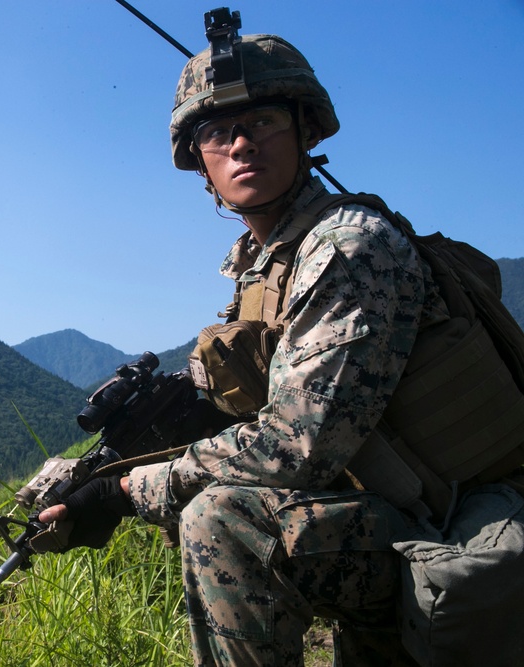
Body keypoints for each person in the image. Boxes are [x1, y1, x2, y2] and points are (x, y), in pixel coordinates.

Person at [38, 18, 440, 667]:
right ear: (199, 160)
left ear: (306, 129)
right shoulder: (265, 263)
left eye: (263, 122)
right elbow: (213, 401)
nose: (241, 144)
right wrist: (85, 472)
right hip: (385, 517)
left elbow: (296, 447)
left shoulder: (346, 249)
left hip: (451, 529)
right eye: (218, 132)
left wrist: (123, 492)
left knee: (222, 518)